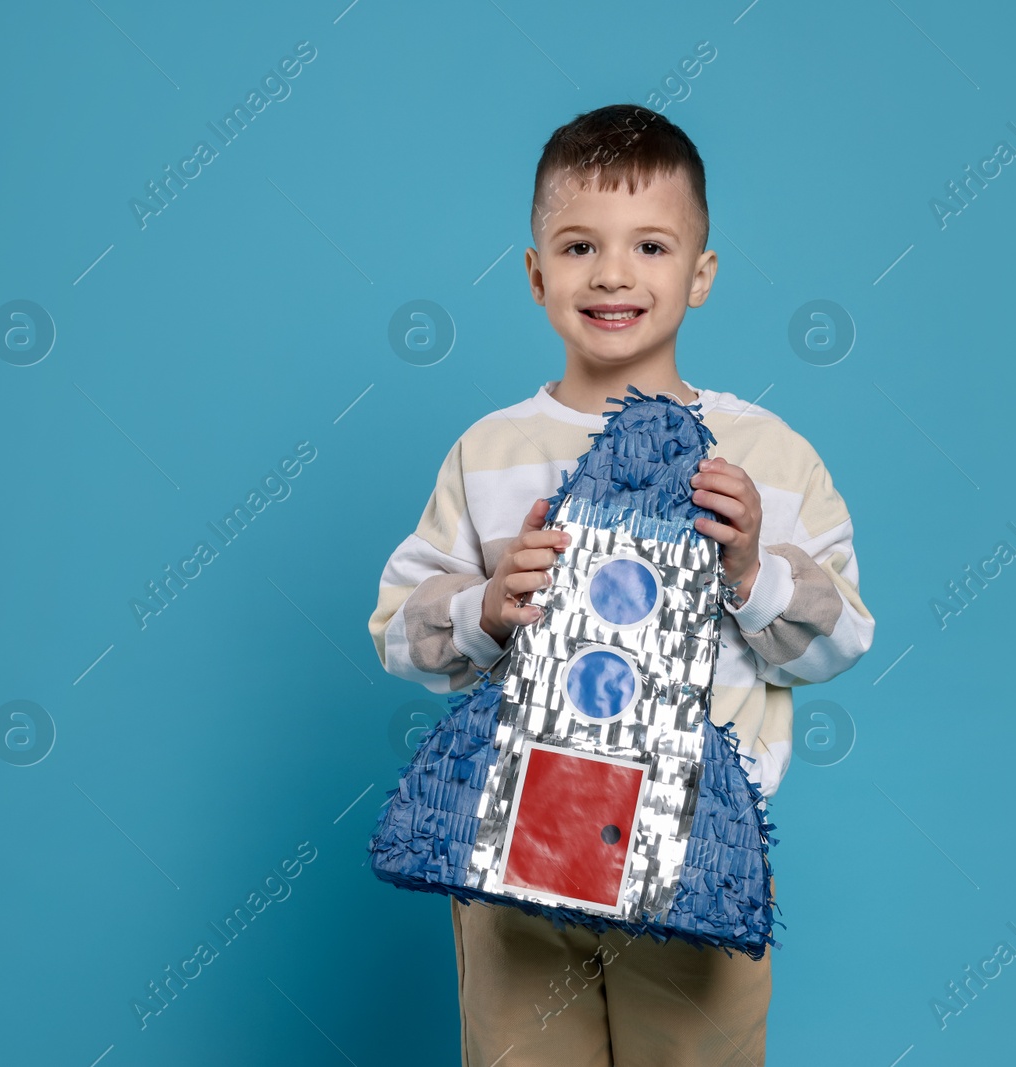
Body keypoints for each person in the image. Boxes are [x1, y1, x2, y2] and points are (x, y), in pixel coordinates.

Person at [367, 103, 875, 1067]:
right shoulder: (490, 453)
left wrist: (754, 572)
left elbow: (842, 637)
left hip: (694, 853)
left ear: (701, 273)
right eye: (577, 245)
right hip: (517, 846)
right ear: (534, 273)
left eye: (650, 244)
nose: (612, 273)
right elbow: (398, 628)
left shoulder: (768, 455)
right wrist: (483, 605)